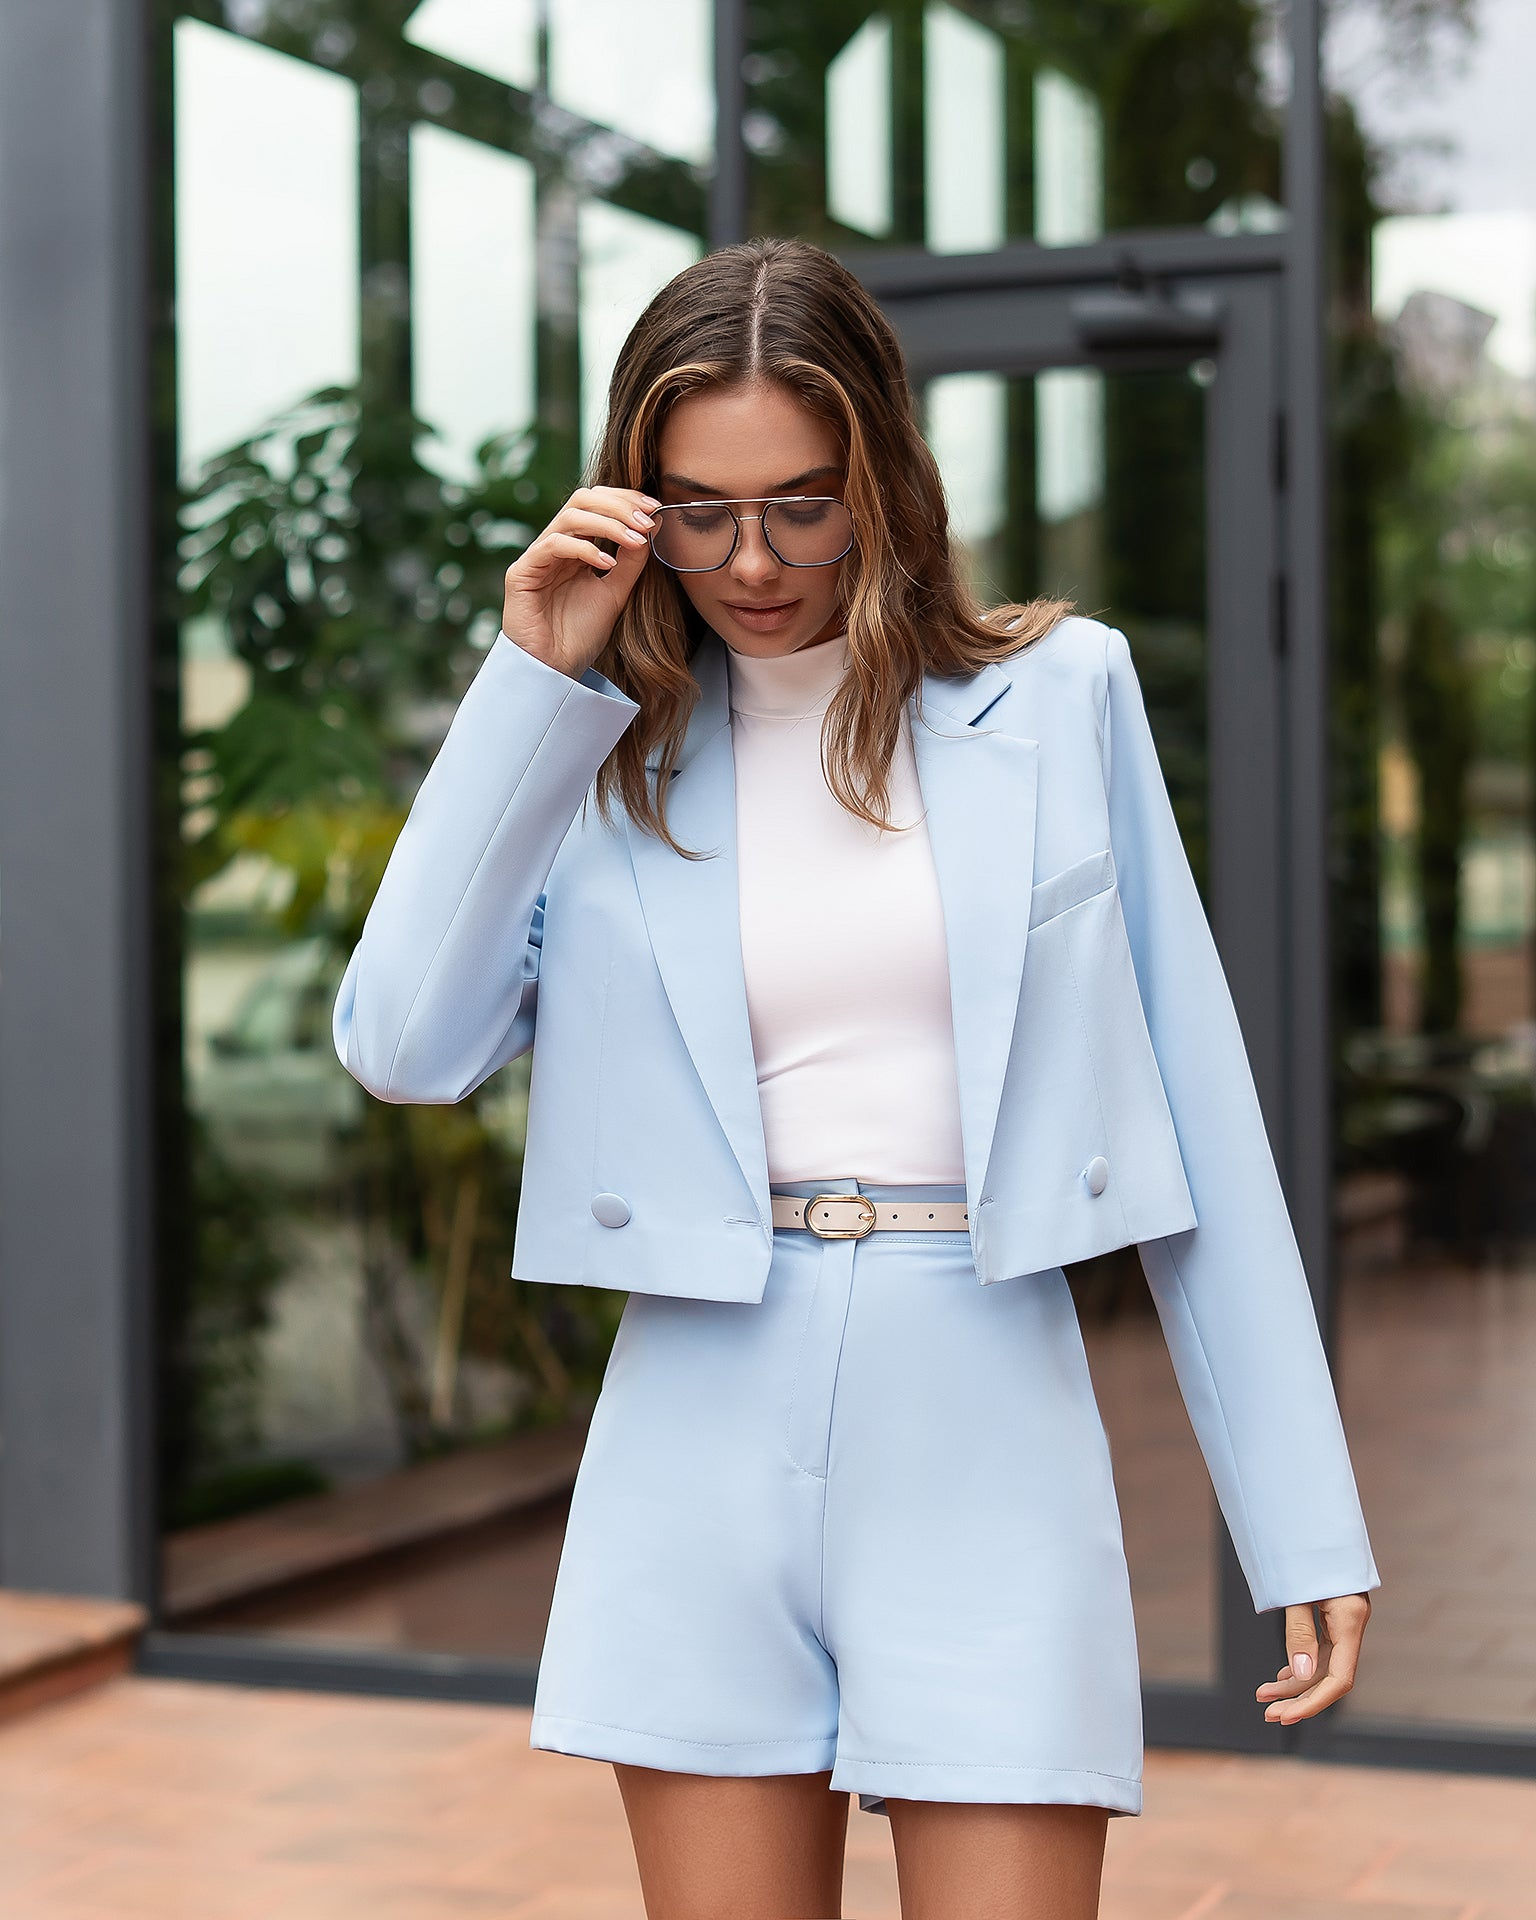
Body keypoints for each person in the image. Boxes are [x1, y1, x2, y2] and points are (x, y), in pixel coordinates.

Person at [333, 236, 1378, 1920]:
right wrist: (533, 681)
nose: (752, 561)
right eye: (697, 509)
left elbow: (1199, 1111)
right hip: (695, 1417)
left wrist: (1305, 1519)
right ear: (632, 502)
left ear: (885, 476)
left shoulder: (1056, 698)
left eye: (803, 503)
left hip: (982, 1396)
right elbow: (400, 1047)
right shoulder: (597, 754)